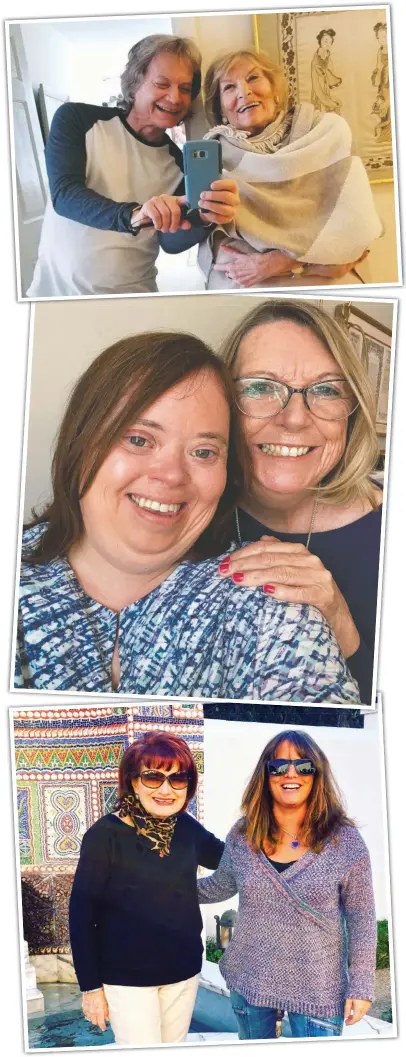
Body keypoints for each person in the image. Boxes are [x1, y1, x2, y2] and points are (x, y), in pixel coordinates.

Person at [15, 330, 360, 703]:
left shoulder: (267, 601)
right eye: (138, 440)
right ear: (81, 444)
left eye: (204, 452)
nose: (171, 476)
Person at [217, 299, 382, 706]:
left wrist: (340, 623)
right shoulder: (187, 518)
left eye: (325, 390)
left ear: (352, 415)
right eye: (259, 387)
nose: (294, 419)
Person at [27, 34, 239, 297]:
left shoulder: (180, 164)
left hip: (133, 293)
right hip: (54, 292)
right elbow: (65, 194)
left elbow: (169, 242)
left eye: (184, 89)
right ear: (134, 83)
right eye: (162, 84)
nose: (175, 98)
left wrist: (204, 219)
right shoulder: (77, 119)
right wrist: (134, 215)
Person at [198, 729, 376, 1039]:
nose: (290, 773)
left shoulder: (345, 841)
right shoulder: (244, 835)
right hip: (251, 978)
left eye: (303, 765)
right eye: (278, 766)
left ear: (316, 773)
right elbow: (220, 885)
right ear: (265, 776)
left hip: (317, 990)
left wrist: (361, 985)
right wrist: (163, 885)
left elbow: (362, 918)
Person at [69, 731, 224, 1045]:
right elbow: (81, 915)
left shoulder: (187, 828)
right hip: (127, 979)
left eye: (177, 778)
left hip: (183, 971)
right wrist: (91, 989)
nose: (166, 789)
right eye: (153, 777)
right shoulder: (105, 835)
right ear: (133, 781)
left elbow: (230, 859)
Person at [195, 46, 382, 289]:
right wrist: (318, 258)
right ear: (220, 109)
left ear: (274, 89)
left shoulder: (328, 133)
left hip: (331, 282)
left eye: (253, 78)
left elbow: (353, 225)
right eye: (229, 87)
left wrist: (278, 262)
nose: (245, 91)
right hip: (251, 286)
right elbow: (217, 245)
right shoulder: (213, 159)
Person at [311, 29, 342, 114]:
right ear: (320, 41)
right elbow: (315, 77)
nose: (328, 44)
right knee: (320, 105)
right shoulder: (316, 57)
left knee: (327, 99)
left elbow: (329, 67)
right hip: (318, 82)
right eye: (325, 41)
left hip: (325, 83)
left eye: (330, 42)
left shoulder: (327, 53)